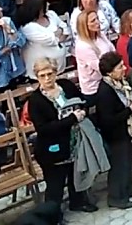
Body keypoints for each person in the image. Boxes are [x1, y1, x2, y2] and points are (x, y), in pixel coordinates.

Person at [26, 57, 97, 212]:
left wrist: (83, 111)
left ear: (55, 72)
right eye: (42, 75)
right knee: (55, 185)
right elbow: (43, 129)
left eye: (49, 74)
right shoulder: (35, 100)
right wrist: (71, 119)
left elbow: (82, 101)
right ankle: (52, 215)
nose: (47, 79)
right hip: (52, 148)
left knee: (76, 174)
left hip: (75, 140)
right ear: (36, 77)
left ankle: (78, 202)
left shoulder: (66, 86)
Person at [90, 52, 132, 209]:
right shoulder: (105, 91)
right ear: (109, 72)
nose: (124, 69)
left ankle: (128, 188)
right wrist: (130, 110)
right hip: (113, 134)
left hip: (123, 130)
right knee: (118, 164)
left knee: (126, 160)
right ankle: (116, 197)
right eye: (120, 67)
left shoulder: (118, 84)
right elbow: (108, 120)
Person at [16, 0, 72, 80]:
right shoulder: (28, 27)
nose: (48, 4)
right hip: (41, 72)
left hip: (59, 68)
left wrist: (59, 34)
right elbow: (49, 40)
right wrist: (59, 32)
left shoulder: (51, 14)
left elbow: (66, 29)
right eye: (45, 3)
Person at [73, 9, 115, 96]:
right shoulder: (83, 46)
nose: (98, 22)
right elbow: (100, 67)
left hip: (110, 80)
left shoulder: (101, 36)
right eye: (93, 21)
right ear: (85, 26)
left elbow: (113, 51)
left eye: (97, 19)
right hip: (95, 88)